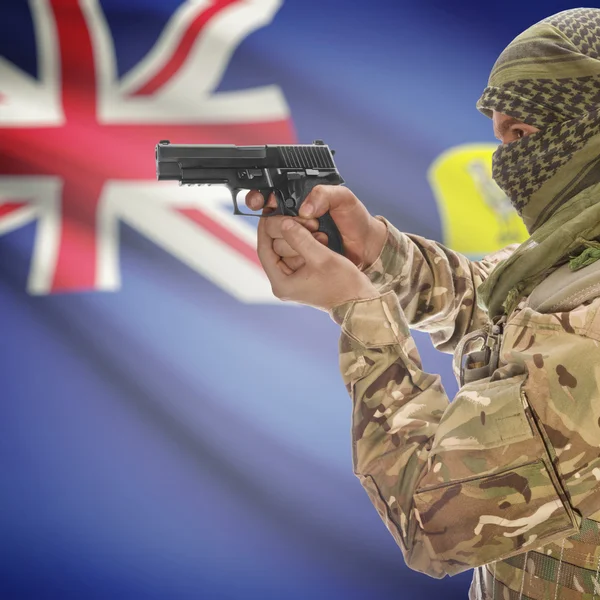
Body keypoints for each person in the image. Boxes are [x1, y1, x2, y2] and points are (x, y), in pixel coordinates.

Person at [246, 8, 600, 599]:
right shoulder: (579, 252)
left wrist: (359, 310)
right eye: (498, 136)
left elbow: (434, 522)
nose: (505, 162)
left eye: (521, 134)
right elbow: (501, 303)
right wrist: (378, 252)